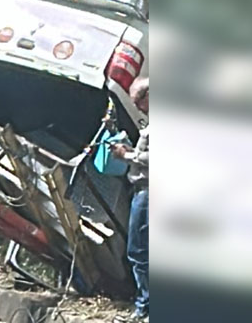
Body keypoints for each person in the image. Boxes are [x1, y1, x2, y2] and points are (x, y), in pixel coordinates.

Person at [110, 77, 149, 322]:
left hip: (147, 191)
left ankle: (145, 308)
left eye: (138, 102)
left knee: (138, 251)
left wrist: (128, 155)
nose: (137, 107)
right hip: (144, 191)